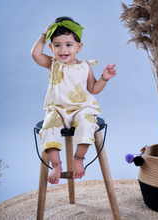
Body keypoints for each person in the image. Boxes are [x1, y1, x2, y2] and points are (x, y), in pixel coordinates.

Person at [31, 16, 116, 184]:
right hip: (57, 110)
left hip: (81, 109)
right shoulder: (53, 63)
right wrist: (45, 33)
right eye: (57, 45)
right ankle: (56, 165)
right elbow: (35, 54)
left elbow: (93, 89)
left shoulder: (85, 66)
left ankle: (78, 158)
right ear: (51, 47)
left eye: (69, 45)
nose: (63, 49)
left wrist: (104, 78)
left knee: (87, 124)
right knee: (48, 128)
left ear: (79, 47)